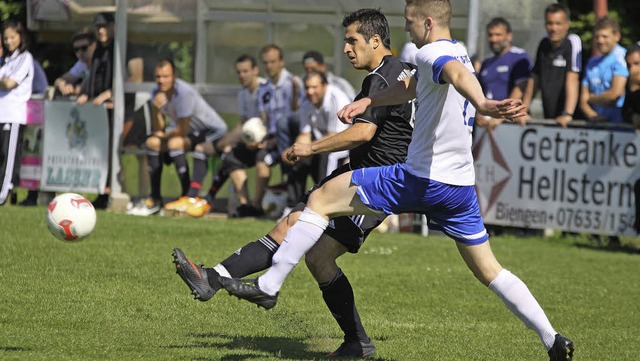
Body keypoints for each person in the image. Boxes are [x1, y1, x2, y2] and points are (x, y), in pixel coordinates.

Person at [217, 1, 574, 360]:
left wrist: (482, 103)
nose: (406, 30)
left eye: (409, 23)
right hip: (460, 190)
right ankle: (552, 338)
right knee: (490, 270)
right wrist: (368, 101)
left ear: (428, 23)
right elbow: (411, 89)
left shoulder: (435, 53)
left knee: (321, 198)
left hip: (418, 179)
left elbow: (455, 76)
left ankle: (270, 283)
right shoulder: (460, 52)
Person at [172, 8, 416, 357]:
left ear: (375, 41)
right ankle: (212, 278)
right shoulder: (403, 73)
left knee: (318, 256)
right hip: (357, 176)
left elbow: (364, 131)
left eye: (352, 41)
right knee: (295, 229)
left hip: (373, 184)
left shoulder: (381, 77)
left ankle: (355, 340)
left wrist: (311, 147)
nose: (346, 48)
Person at [128, 59, 228, 216]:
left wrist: (164, 135)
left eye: (165, 76)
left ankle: (186, 196)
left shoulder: (184, 93)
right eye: (158, 77)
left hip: (210, 131)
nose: (161, 80)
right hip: (188, 132)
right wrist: (155, 109)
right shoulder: (156, 93)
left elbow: (182, 130)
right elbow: (158, 128)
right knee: (152, 143)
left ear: (174, 76)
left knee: (175, 143)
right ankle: (155, 199)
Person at [184, 54, 269, 218]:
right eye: (239, 72)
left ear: (255, 70)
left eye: (245, 71)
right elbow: (243, 123)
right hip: (249, 139)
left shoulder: (265, 90)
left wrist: (256, 140)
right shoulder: (243, 94)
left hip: (266, 142)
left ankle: (205, 199)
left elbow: (267, 120)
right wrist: (225, 142)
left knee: (229, 153)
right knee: (220, 153)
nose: (242, 75)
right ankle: (243, 205)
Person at [77, 12, 144, 209]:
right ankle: (103, 193)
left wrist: (110, 93)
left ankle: (122, 194)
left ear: (115, 26)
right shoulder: (98, 50)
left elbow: (136, 78)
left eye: (105, 26)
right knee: (102, 153)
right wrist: (85, 94)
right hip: (103, 113)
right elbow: (93, 77)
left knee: (117, 151)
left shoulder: (126, 47)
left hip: (128, 112)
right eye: (98, 27)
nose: (101, 31)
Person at [281, 70, 352, 217]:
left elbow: (335, 136)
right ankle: (292, 208)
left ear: (325, 86)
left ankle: (323, 207)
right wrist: (294, 150)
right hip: (319, 145)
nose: (310, 91)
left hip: (343, 147)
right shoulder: (306, 103)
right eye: (307, 87)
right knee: (296, 159)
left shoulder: (336, 98)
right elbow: (305, 134)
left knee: (327, 156)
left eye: (314, 87)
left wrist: (308, 148)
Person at [523, 3, 581, 127]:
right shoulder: (543, 44)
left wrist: (567, 113)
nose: (554, 28)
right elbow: (535, 78)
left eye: (558, 23)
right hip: (550, 117)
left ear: (567, 24)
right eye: (550, 23)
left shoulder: (573, 41)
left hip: (572, 121)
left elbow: (573, 79)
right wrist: (523, 109)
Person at [476, 17, 532, 132]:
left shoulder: (519, 57)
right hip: (485, 124)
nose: (493, 39)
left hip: (510, 123)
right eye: (490, 35)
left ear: (509, 36)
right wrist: (478, 112)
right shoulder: (486, 62)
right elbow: (479, 91)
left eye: (498, 35)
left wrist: (503, 114)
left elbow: (522, 86)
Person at [0, 19, 34, 205]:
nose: (9, 41)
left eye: (12, 37)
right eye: (5, 38)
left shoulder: (25, 58)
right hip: (1, 113)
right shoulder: (5, 60)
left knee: (8, 157)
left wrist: (5, 82)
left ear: (20, 37)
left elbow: (10, 83)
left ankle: (3, 195)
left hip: (12, 115)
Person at [579, 16, 628, 124]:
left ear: (617, 36)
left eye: (605, 36)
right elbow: (582, 100)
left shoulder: (623, 57)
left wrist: (591, 99)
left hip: (621, 126)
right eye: (597, 37)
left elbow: (614, 94)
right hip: (596, 124)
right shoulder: (592, 62)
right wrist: (593, 116)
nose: (600, 41)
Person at [53, 28, 97, 98]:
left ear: (94, 46)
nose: (80, 52)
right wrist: (61, 84)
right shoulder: (81, 64)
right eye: (76, 49)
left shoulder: (101, 62)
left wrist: (75, 90)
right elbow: (61, 79)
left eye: (84, 48)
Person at [622, 44, 640, 128]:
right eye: (629, 65)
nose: (632, 70)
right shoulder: (630, 83)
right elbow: (626, 111)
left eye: (637, 63)